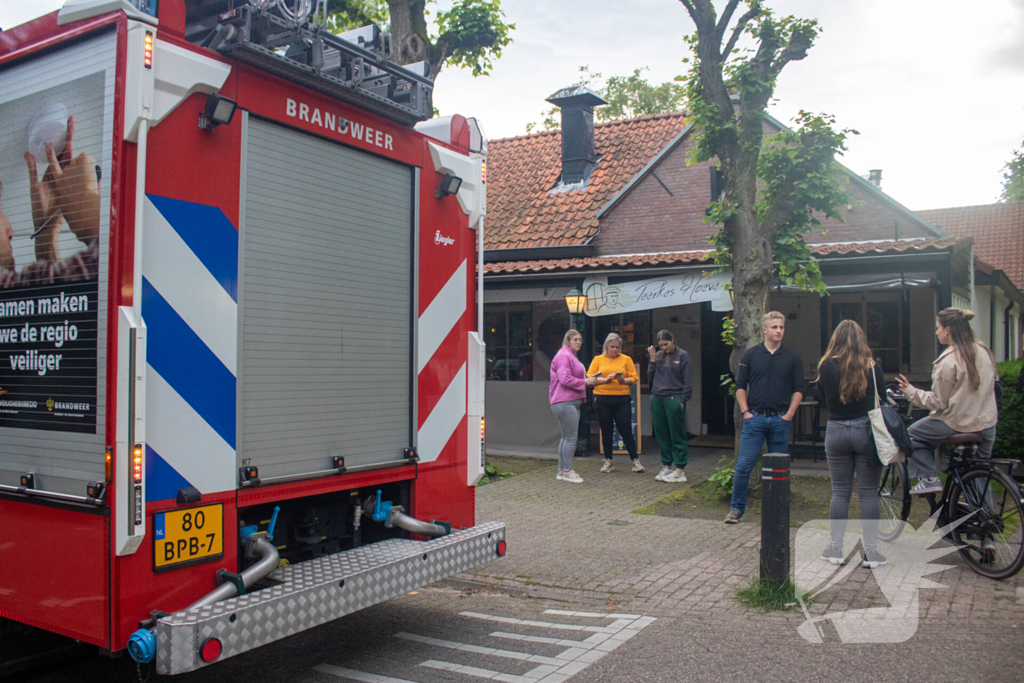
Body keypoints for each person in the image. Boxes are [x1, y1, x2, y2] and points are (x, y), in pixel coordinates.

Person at [896, 308, 998, 496]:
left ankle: (929, 478)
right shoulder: (984, 352)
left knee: (908, 436)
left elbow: (938, 402)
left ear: (947, 330)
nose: (936, 332)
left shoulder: (948, 361)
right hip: (987, 424)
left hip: (958, 423)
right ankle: (986, 519)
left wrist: (911, 392)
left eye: (937, 328)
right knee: (979, 471)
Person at [812, 320, 887, 568]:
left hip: (836, 431)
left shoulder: (825, 366)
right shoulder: (872, 367)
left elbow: (821, 395)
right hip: (866, 431)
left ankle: (835, 549)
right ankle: (872, 553)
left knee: (840, 492)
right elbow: (883, 398)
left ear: (836, 338)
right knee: (867, 493)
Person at [726, 311, 804, 523]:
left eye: (782, 327)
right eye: (775, 327)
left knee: (779, 469)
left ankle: (777, 511)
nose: (779, 331)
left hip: (781, 419)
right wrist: (746, 412)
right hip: (755, 420)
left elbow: (799, 389)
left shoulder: (792, 357)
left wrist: (789, 415)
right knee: (743, 466)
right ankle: (736, 509)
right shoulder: (751, 355)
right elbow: (740, 386)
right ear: (764, 330)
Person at [550, 329, 609, 483]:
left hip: (568, 401)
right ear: (567, 340)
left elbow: (581, 379)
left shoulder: (570, 356)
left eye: (580, 340)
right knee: (571, 438)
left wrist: (601, 380)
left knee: (566, 437)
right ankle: (568, 471)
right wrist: (585, 382)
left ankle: (562, 470)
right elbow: (565, 380)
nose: (578, 342)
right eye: (575, 339)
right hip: (565, 401)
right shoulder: (564, 356)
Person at [588, 333, 642, 473]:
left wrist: (623, 380)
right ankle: (608, 460)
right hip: (602, 397)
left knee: (625, 429)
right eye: (612, 347)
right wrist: (605, 380)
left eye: (617, 347)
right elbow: (590, 377)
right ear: (606, 346)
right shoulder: (598, 359)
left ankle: (635, 460)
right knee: (606, 430)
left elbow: (634, 378)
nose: (614, 350)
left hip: (621, 397)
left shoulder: (626, 359)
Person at [647, 330, 692, 483]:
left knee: (677, 433)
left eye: (666, 344)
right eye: (660, 345)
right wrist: (652, 360)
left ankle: (680, 469)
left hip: (674, 397)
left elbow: (688, 380)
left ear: (672, 340)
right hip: (657, 397)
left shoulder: (683, 355)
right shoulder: (658, 356)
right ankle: (666, 466)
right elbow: (650, 377)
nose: (664, 348)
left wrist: (683, 400)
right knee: (661, 434)